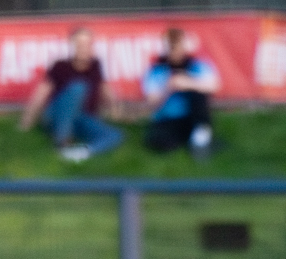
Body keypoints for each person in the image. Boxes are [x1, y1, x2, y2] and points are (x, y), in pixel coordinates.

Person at [18, 27, 125, 162]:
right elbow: (41, 93)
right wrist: (27, 121)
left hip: (81, 119)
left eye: (88, 44)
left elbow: (105, 88)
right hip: (56, 115)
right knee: (78, 88)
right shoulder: (60, 65)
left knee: (115, 135)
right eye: (79, 44)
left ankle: (79, 153)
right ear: (72, 46)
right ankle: (62, 142)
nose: (84, 48)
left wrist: (115, 108)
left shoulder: (96, 65)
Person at [142, 27, 220, 157]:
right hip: (167, 120)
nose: (176, 52)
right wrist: (168, 88)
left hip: (192, 117)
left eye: (178, 47)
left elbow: (214, 86)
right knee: (158, 141)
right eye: (172, 48)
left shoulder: (197, 65)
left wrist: (188, 83)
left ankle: (200, 135)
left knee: (199, 90)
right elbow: (152, 103)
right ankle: (193, 143)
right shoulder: (156, 71)